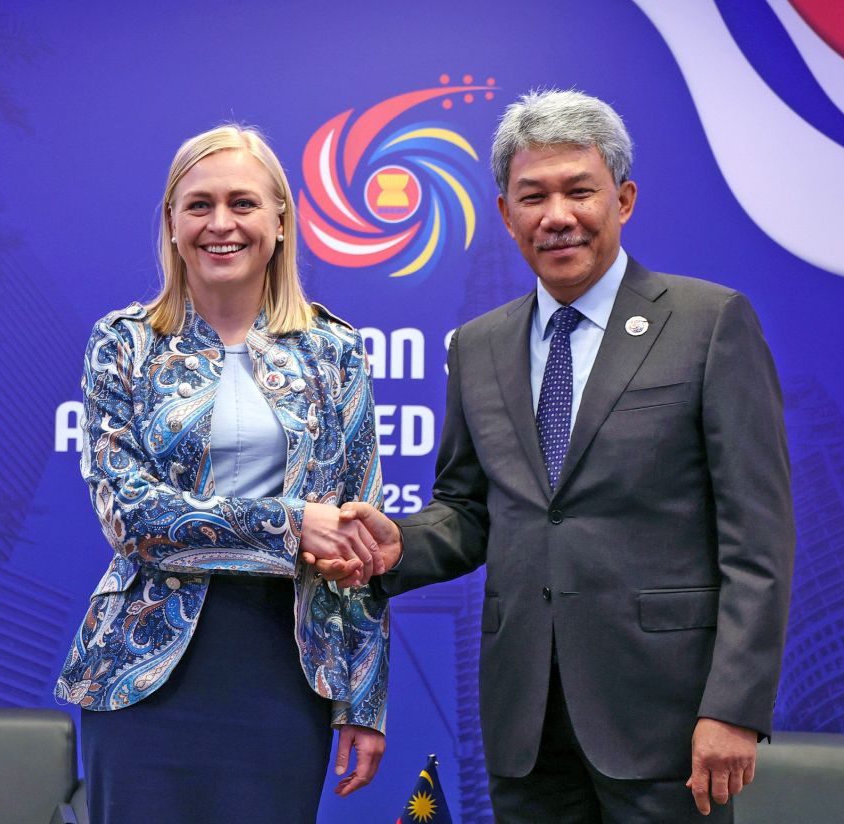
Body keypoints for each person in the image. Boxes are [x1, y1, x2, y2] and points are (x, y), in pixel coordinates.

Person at [327, 90, 794, 822]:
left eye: (580, 190)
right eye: (533, 195)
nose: (558, 215)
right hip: (525, 721)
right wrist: (400, 545)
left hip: (666, 718)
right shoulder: (478, 346)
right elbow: (472, 509)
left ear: (624, 199)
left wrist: (733, 707)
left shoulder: (709, 325)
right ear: (507, 214)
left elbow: (757, 539)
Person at [55, 124, 389, 824]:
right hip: (144, 676)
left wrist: (363, 698)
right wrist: (296, 524)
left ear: (279, 221)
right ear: (172, 225)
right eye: (198, 205)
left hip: (283, 673)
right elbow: (134, 521)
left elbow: (358, 541)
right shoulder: (124, 343)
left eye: (242, 203)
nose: (221, 223)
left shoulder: (335, 351)